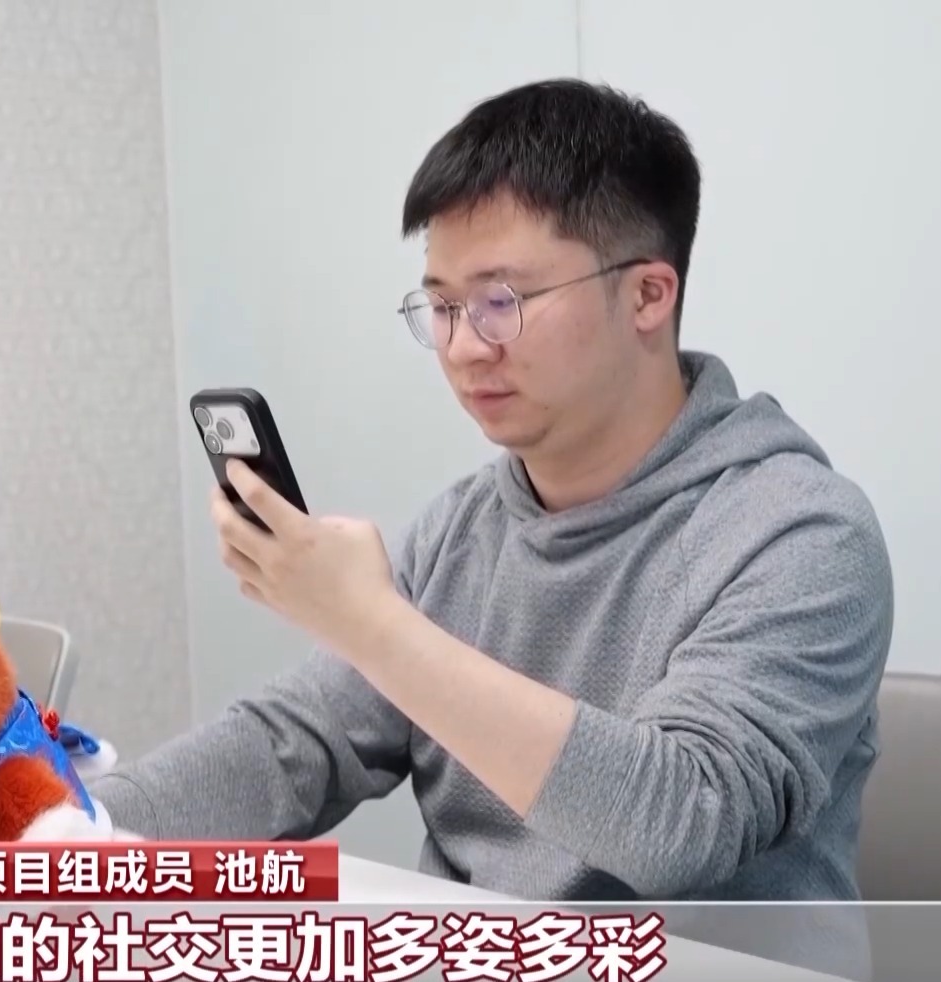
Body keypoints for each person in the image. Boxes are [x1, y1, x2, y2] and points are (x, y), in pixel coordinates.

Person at [88, 78, 894, 975]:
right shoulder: (464, 527)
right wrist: (55, 828)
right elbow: (294, 743)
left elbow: (680, 824)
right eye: (441, 306)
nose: (466, 345)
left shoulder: (801, 534)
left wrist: (371, 625)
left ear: (647, 295)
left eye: (502, 299)